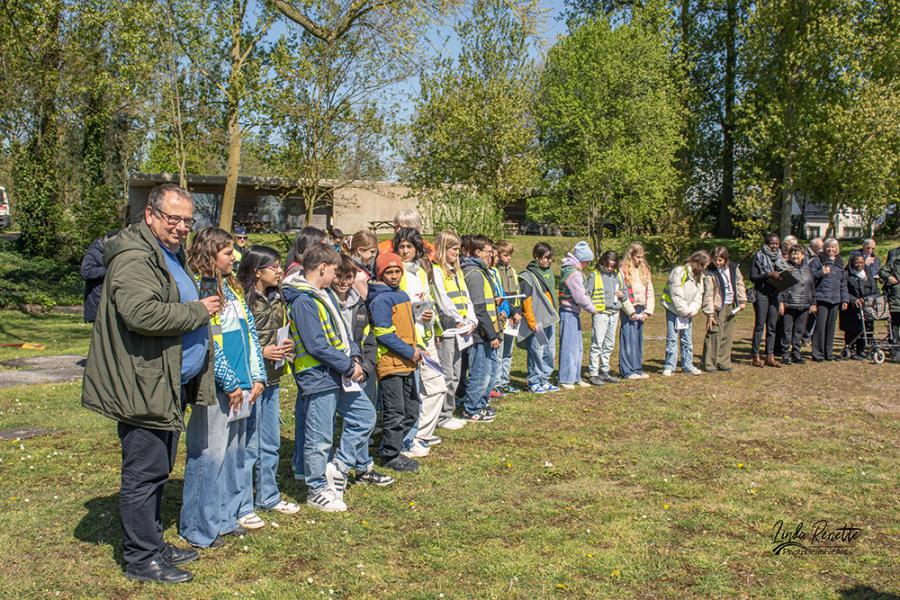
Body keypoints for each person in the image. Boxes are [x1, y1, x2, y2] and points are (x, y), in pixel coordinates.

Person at [82, 183, 217, 583]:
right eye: (172, 218)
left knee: (158, 469)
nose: (180, 227)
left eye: (186, 221)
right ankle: (141, 559)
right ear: (150, 215)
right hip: (144, 384)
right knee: (144, 473)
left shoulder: (167, 252)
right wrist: (197, 311)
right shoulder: (135, 257)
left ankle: (153, 543)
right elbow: (141, 314)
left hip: (167, 382)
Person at [180, 227, 266, 549]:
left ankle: (227, 519)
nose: (235, 257)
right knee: (209, 456)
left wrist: (257, 376)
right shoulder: (203, 291)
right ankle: (199, 527)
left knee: (234, 455)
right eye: (228, 253)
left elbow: (250, 335)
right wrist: (229, 382)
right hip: (217, 390)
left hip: (244, 387)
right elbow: (211, 343)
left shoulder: (234, 289)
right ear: (210, 254)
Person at [283, 243, 380, 511]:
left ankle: (337, 468)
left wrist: (355, 358)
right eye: (335, 271)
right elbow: (316, 344)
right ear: (323, 268)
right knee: (319, 435)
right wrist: (349, 367)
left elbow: (343, 332)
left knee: (364, 416)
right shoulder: (303, 300)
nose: (337, 277)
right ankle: (316, 489)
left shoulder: (322, 294)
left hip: (338, 373)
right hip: (318, 375)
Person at [235, 245, 301, 528]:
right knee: (248, 444)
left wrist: (288, 345)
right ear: (256, 271)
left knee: (270, 441)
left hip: (273, 378)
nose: (278, 271)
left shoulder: (278, 298)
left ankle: (268, 496)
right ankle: (243, 505)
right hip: (251, 380)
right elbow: (238, 339)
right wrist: (262, 352)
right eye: (273, 267)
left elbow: (284, 331)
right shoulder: (244, 300)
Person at [330, 255, 395, 487]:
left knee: (364, 417)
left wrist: (365, 367)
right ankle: (339, 467)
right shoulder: (325, 301)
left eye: (349, 276)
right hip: (335, 370)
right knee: (357, 418)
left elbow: (368, 338)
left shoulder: (359, 302)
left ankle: (362, 465)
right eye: (339, 276)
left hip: (359, 370)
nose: (344, 281)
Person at [368, 251, 424, 471]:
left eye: (397, 271)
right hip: (391, 364)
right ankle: (390, 455)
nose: (393, 276)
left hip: (408, 362)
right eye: (388, 272)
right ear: (380, 274)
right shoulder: (381, 298)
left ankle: (395, 445)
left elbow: (407, 328)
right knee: (395, 411)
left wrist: (415, 347)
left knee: (412, 408)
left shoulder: (401, 294)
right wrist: (409, 352)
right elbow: (384, 333)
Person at [394, 228, 446, 457]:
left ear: (417, 249)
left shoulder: (421, 273)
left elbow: (426, 302)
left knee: (437, 386)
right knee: (412, 393)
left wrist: (428, 315)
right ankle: (410, 438)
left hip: (425, 338)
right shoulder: (395, 273)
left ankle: (421, 433)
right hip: (408, 342)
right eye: (401, 247)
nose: (405, 251)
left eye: (409, 247)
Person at [431, 230, 476, 429]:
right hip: (448, 329)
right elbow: (442, 299)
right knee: (446, 374)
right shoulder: (436, 270)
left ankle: (448, 412)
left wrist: (471, 320)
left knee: (457, 373)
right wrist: (458, 318)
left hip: (462, 329)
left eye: (458, 249)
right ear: (443, 249)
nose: (456, 253)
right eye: (453, 249)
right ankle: (440, 416)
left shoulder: (457, 271)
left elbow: (466, 297)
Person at [461, 235, 502, 421]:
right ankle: (472, 408)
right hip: (481, 333)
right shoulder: (475, 273)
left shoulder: (482, 271)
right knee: (481, 373)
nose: (491, 255)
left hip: (489, 331)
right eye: (488, 252)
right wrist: (491, 334)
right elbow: (479, 307)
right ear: (477, 252)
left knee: (490, 372)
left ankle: (481, 403)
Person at [518, 242, 560, 393]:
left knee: (549, 351)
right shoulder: (528, 276)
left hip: (549, 320)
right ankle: (534, 380)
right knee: (538, 350)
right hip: (538, 322)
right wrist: (532, 321)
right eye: (546, 258)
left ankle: (545, 379)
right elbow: (526, 301)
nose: (549, 261)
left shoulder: (548, 273)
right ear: (536, 257)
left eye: (550, 259)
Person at [661, 251, 710, 376]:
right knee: (672, 338)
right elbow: (676, 295)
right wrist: (684, 311)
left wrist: (692, 310)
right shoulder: (678, 272)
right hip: (673, 310)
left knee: (687, 339)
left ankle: (688, 365)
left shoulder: (700, 277)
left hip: (688, 312)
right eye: (704, 265)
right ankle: (669, 366)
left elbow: (699, 295)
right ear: (697, 263)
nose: (705, 269)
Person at [557, 241, 598, 388]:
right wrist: (593, 309)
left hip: (574, 313)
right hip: (567, 313)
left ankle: (575, 376)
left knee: (578, 346)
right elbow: (580, 296)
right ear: (581, 260)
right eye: (587, 262)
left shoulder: (574, 271)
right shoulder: (573, 274)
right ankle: (566, 379)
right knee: (569, 346)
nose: (587, 264)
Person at [700, 246, 747, 372]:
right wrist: (710, 313)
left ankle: (723, 361)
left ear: (726, 259)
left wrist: (742, 300)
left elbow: (739, 283)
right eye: (715, 260)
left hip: (730, 305)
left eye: (720, 260)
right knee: (714, 333)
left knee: (727, 334)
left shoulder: (733, 268)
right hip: (717, 306)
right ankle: (709, 363)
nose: (717, 263)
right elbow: (708, 294)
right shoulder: (710, 272)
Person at [585, 250, 625, 385]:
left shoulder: (618, 275)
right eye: (609, 264)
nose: (611, 267)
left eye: (613, 264)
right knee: (597, 343)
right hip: (600, 313)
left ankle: (605, 370)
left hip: (614, 313)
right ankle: (593, 373)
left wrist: (622, 295)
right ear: (603, 261)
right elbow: (587, 294)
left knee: (609, 344)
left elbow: (625, 291)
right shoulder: (594, 275)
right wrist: (593, 309)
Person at [749, 233, 788, 367]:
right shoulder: (758, 256)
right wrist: (768, 274)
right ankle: (755, 355)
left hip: (775, 294)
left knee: (772, 326)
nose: (774, 246)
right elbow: (752, 277)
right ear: (766, 243)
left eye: (776, 243)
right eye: (771, 243)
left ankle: (770, 356)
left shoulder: (780, 258)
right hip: (761, 293)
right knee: (760, 325)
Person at [809, 237, 849, 361]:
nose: (831, 249)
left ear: (837, 249)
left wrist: (845, 299)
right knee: (820, 327)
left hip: (835, 299)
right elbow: (810, 277)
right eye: (828, 247)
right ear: (824, 248)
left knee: (831, 327)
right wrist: (821, 272)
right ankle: (818, 354)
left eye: (833, 247)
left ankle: (828, 353)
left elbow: (843, 283)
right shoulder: (818, 260)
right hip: (821, 298)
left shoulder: (840, 262)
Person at [619, 242, 654, 380]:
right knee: (628, 338)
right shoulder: (623, 270)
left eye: (642, 257)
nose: (640, 260)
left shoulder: (644, 269)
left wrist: (648, 311)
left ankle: (637, 367)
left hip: (641, 306)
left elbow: (650, 290)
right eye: (637, 257)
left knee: (638, 339)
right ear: (631, 255)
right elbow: (623, 292)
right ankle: (627, 370)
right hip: (629, 308)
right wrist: (630, 311)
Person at [777, 245, 816, 365]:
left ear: (802, 255)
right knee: (787, 331)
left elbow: (812, 287)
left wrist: (813, 303)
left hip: (804, 305)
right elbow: (780, 288)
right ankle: (785, 354)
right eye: (793, 253)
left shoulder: (807, 269)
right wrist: (781, 303)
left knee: (799, 331)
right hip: (789, 304)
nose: (795, 256)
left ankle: (796, 353)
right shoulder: (786, 268)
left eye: (797, 253)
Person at [494, 240, 522, 394]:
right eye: (505, 255)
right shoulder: (496, 271)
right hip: (504, 315)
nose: (508, 258)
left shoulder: (513, 271)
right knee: (500, 351)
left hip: (514, 317)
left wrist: (518, 311)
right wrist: (511, 312)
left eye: (510, 255)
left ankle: (505, 380)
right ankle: (497, 383)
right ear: (497, 255)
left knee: (508, 352)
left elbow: (516, 294)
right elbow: (502, 296)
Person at [841, 253, 880, 359]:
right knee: (852, 329)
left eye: (861, 262)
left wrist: (869, 298)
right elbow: (843, 290)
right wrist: (854, 299)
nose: (859, 264)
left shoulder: (868, 274)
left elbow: (877, 290)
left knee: (867, 328)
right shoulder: (847, 274)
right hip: (852, 308)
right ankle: (850, 349)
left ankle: (861, 350)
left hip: (868, 306)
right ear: (852, 263)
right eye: (857, 262)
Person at [80, 231, 118, 323]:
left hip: (110, 300)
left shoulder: (113, 251)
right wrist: (107, 269)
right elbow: (85, 272)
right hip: (97, 302)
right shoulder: (93, 252)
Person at [879, 246, 900, 361]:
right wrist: (890, 277)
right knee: (895, 326)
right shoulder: (894, 255)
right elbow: (882, 271)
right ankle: (895, 351)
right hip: (896, 298)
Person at [348, 230, 378, 299]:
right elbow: (367, 298)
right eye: (372, 251)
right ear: (360, 250)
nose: (374, 255)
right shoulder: (358, 274)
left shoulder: (356, 266)